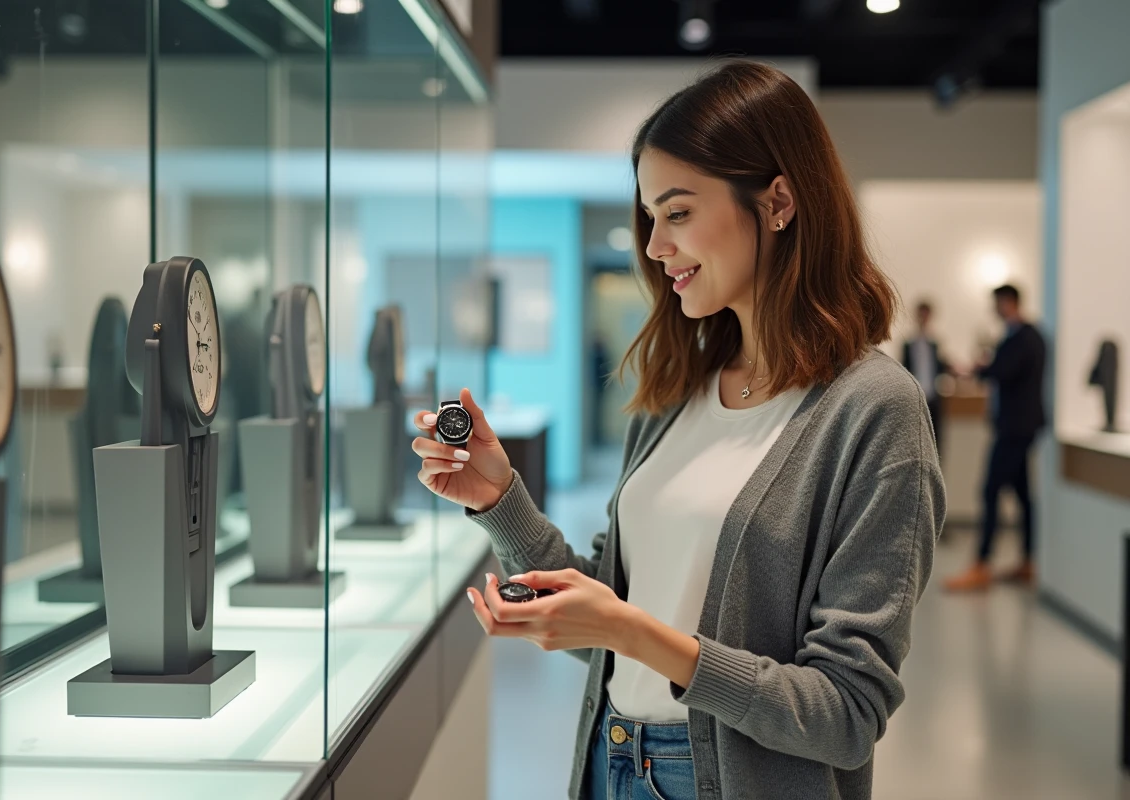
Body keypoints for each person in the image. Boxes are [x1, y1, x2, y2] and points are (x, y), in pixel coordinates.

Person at [412, 61, 943, 800]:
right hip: (611, 759)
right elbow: (614, 604)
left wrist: (634, 634)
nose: (656, 247)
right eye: (650, 218)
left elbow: (844, 713)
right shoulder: (678, 390)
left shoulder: (874, 410)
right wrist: (500, 497)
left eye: (679, 212)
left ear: (779, 201)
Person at [945, 284, 1046, 592]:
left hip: (1016, 429)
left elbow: (1004, 371)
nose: (994, 310)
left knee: (990, 490)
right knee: (1023, 495)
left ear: (1009, 302)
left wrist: (979, 367)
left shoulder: (1027, 338)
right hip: (1015, 428)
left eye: (997, 304)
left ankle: (982, 564)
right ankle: (1028, 561)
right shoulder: (1017, 337)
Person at [902, 301, 951, 459]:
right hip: (915, 396)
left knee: (936, 442)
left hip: (933, 397)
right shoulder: (908, 344)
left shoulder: (935, 344)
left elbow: (940, 368)